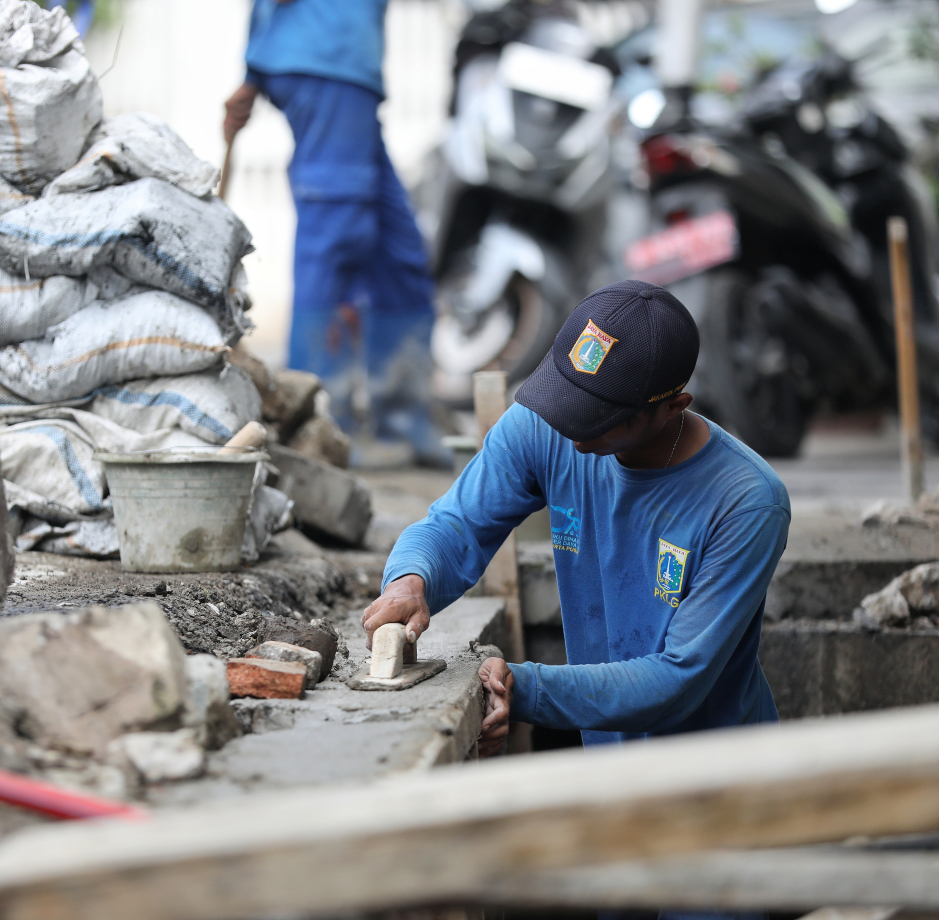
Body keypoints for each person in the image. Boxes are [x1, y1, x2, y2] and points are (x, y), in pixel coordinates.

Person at [362, 280, 790, 760]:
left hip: (721, 775)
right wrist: (410, 580)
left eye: (599, 416)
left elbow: (678, 678)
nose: (570, 424)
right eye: (568, 398)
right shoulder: (544, 425)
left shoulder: (746, 502)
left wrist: (523, 688)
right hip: (606, 760)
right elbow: (455, 525)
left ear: (673, 406)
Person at [222, 0, 445, 465]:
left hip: (338, 62)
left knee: (397, 250)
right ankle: (319, 427)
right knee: (336, 240)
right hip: (325, 56)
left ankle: (403, 419)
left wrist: (256, 64)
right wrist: (256, 62)